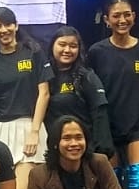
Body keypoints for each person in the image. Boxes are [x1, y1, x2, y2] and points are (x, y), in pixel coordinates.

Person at [0, 7, 52, 189]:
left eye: (8, 24)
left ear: (16, 25)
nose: (4, 30)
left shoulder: (33, 53)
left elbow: (44, 93)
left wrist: (34, 131)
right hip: (0, 132)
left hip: (30, 127)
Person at [87, 0, 139, 170]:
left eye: (127, 15)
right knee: (111, 183)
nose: (122, 20)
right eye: (116, 16)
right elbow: (90, 93)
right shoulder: (96, 52)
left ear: (134, 16)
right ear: (106, 20)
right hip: (106, 128)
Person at [46, 26, 114, 159]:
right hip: (52, 149)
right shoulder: (43, 75)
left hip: (82, 149)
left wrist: (101, 149)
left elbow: (100, 113)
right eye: (62, 45)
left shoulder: (86, 77)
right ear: (52, 46)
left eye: (73, 46)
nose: (67, 50)